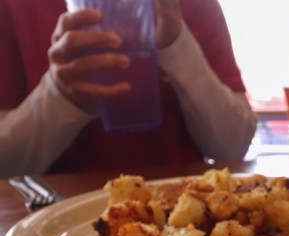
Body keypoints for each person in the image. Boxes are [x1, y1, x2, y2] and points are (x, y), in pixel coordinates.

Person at [0, 0, 256, 177]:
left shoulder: (194, 5)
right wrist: (61, 95)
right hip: (52, 224)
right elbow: (5, 165)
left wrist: (176, 47)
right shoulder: (13, 9)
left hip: (184, 213)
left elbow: (233, 146)